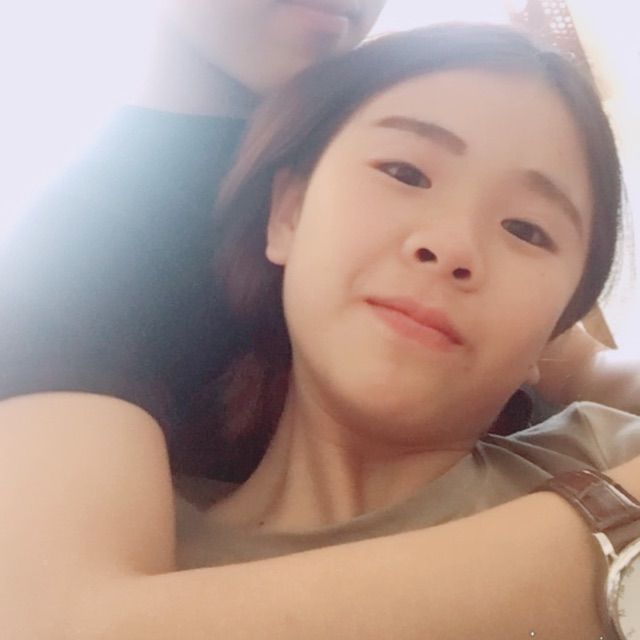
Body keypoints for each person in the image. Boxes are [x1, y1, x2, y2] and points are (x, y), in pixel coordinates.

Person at [4, 23, 639, 640]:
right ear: (287, 215)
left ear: (552, 333)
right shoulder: (124, 544)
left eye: (527, 230)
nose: (451, 246)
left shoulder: (604, 451)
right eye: (405, 173)